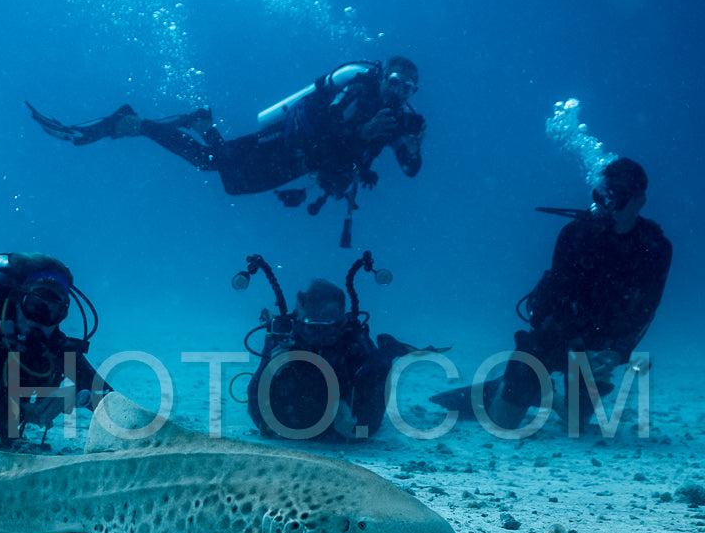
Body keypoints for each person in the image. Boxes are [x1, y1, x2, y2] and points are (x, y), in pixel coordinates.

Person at [433, 157, 672, 432]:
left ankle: (546, 397)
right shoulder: (576, 234)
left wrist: (615, 354)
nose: (608, 205)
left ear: (640, 200)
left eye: (618, 197)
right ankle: (506, 387)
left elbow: (646, 309)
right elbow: (556, 299)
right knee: (503, 422)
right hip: (554, 334)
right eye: (602, 196)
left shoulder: (656, 248)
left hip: (599, 344)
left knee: (575, 424)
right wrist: (577, 348)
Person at [28, 57, 424, 210]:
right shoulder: (359, 95)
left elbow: (410, 169)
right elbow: (326, 127)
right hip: (287, 142)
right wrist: (362, 132)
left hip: (299, 164)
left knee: (228, 176)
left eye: (408, 88)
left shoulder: (399, 121)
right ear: (383, 79)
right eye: (395, 82)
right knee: (210, 162)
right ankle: (136, 123)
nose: (399, 92)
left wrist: (414, 147)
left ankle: (202, 123)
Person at [0, 252, 111, 441]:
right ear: (17, 301)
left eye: (53, 311)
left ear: (62, 316)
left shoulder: (57, 346)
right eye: (34, 306)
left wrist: (74, 394)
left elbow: (109, 400)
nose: (39, 320)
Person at [247, 278, 411, 440]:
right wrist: (271, 370)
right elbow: (257, 413)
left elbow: (370, 426)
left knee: (380, 363)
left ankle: (389, 349)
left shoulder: (354, 343)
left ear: (341, 322)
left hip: (337, 425)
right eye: (312, 326)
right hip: (298, 421)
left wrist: (356, 429)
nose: (319, 336)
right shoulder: (284, 340)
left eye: (328, 327)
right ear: (300, 319)